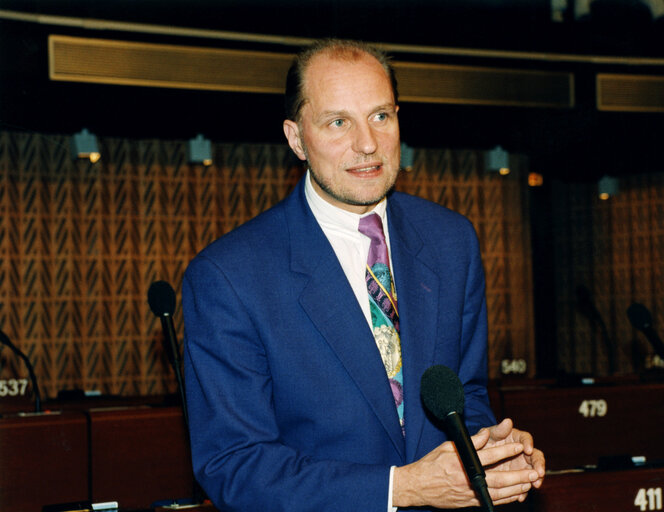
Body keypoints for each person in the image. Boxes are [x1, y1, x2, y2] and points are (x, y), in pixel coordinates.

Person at [182, 39, 544, 511]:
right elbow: (235, 465)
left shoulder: (451, 241)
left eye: (381, 116)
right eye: (338, 122)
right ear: (296, 139)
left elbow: (465, 396)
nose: (367, 144)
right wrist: (404, 487)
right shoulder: (229, 276)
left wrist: (493, 458)